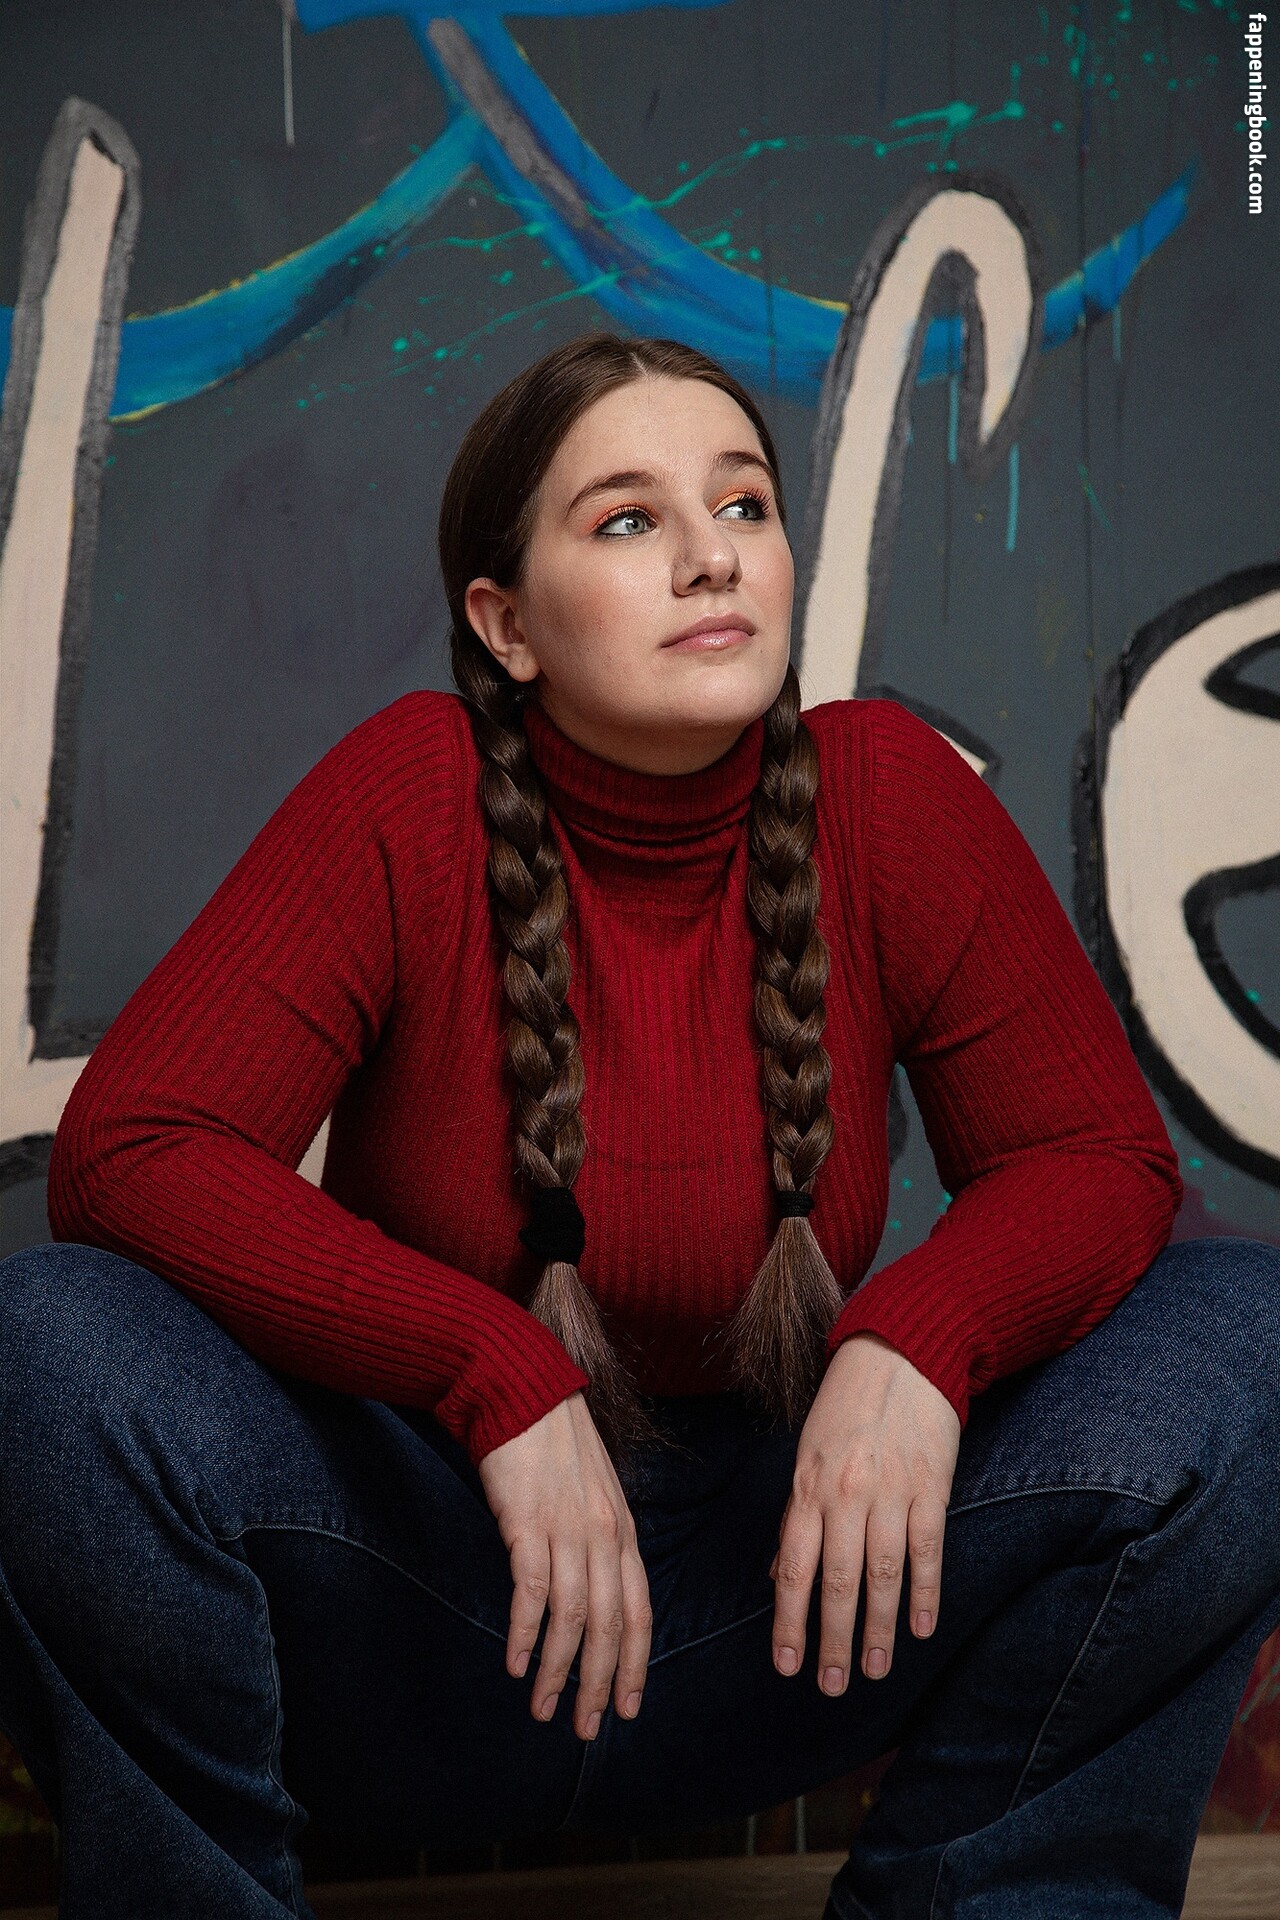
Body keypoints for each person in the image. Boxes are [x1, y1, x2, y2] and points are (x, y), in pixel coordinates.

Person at [0, 332, 1276, 1920]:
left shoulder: (890, 794)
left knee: (1247, 1337)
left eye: (742, 505)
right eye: (626, 520)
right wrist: (492, 1373)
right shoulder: (407, 794)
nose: (708, 555)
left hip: (797, 1606)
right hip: (435, 1608)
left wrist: (920, 1340)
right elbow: (132, 1150)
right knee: (43, 1346)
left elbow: (1096, 1161)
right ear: (505, 624)